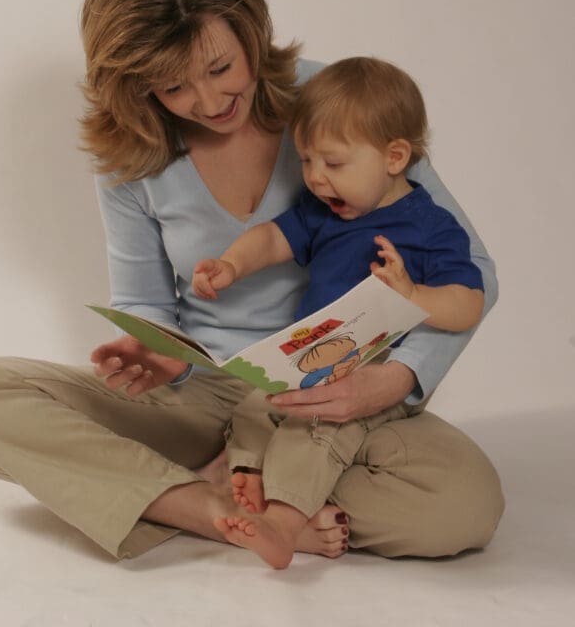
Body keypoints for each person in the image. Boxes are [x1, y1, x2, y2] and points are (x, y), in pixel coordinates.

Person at [0, 0, 504, 563]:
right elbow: (146, 301)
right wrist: (153, 349)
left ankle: (207, 488)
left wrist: (394, 379)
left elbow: (471, 272)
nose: (208, 102)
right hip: (199, 398)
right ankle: (207, 507)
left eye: (220, 68)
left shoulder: (337, 105)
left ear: (251, 31)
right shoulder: (135, 154)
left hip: (328, 398)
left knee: (463, 506)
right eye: (172, 88)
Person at [192, 57, 485, 568]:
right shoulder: (322, 212)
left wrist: (412, 295)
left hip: (373, 372)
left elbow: (468, 304)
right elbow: (273, 238)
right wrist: (232, 265)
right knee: (256, 406)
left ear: (395, 157)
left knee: (318, 427)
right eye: (306, 161)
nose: (316, 178)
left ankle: (284, 525)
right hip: (310, 362)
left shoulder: (430, 228)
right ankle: (246, 473)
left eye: (333, 163)